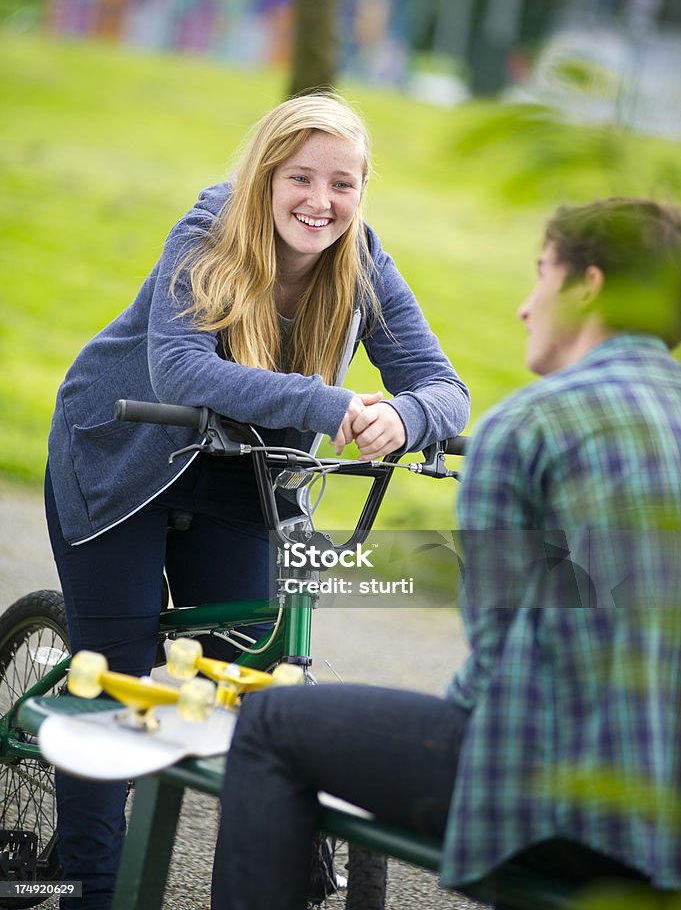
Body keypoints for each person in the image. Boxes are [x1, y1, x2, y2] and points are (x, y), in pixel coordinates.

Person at [44, 92, 470, 909]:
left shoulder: (363, 261)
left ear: (362, 189)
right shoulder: (207, 234)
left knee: (251, 674)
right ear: (265, 177)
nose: (321, 201)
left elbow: (443, 387)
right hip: (125, 450)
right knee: (119, 672)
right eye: (300, 178)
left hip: (245, 473)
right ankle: (87, 891)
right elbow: (182, 371)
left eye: (342, 183)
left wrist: (401, 416)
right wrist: (328, 404)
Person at [211, 197, 681, 909]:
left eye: (540, 276)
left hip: (564, 807)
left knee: (270, 722)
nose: (526, 307)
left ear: (586, 286)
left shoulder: (530, 424)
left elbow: (494, 662)